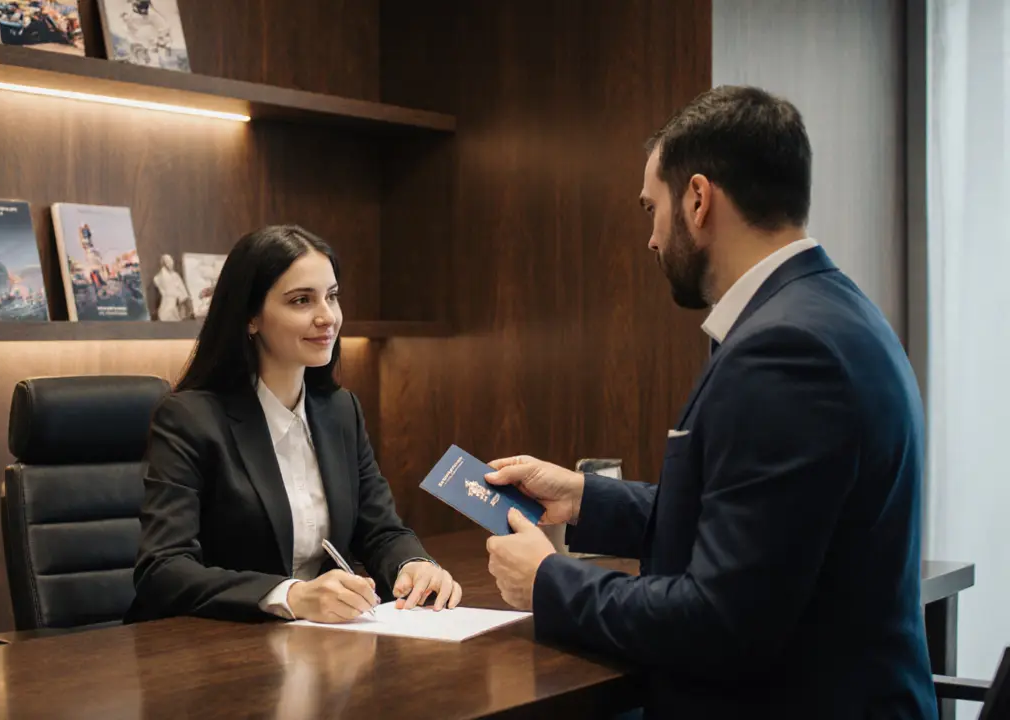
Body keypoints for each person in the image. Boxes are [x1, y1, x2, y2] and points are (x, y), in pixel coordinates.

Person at [483, 86, 937, 719]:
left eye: (653, 208)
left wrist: (547, 581)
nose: (651, 238)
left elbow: (720, 623)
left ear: (698, 200)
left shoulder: (784, 351)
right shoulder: (831, 311)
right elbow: (756, 519)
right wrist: (585, 498)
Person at [126, 225, 461, 624]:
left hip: (321, 641)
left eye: (331, 296)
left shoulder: (340, 411)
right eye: (302, 300)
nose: (327, 317)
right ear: (251, 317)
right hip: (213, 643)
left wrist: (413, 565)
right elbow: (162, 568)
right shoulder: (189, 418)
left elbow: (381, 530)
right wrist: (290, 595)